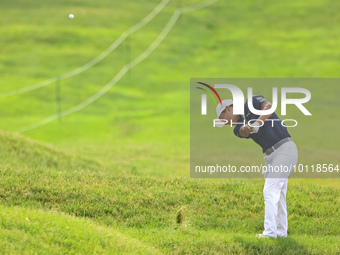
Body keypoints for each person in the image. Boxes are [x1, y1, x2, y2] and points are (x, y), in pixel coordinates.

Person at [216, 95, 298, 238]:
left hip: (284, 148)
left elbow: (269, 107)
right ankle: (280, 233)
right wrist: (248, 128)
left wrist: (259, 122)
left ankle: (270, 233)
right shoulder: (236, 128)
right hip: (271, 156)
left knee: (270, 190)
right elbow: (242, 132)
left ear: (228, 108)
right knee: (279, 194)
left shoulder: (252, 102)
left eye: (224, 119)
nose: (226, 123)